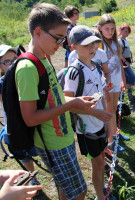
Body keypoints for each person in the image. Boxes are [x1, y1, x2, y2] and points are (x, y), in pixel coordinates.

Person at [15, 3, 96, 200]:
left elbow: (55, 97)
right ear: (38, 31)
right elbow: (30, 118)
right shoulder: (27, 67)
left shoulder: (44, 58)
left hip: (63, 137)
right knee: (80, 192)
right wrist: (70, 105)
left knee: (66, 188)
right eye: (58, 38)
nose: (60, 45)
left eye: (63, 39)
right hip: (52, 143)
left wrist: (75, 99)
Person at [63, 25, 114, 200]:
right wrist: (95, 114)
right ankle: (101, 195)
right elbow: (67, 103)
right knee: (98, 162)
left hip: (100, 123)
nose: (92, 48)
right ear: (74, 47)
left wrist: (106, 121)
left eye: (94, 44)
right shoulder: (74, 72)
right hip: (86, 128)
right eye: (86, 45)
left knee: (101, 159)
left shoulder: (97, 66)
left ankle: (101, 192)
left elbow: (101, 96)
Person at [0, 45, 40, 186]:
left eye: (14, 59)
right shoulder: (2, 83)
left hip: (32, 123)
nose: (12, 64)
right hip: (15, 126)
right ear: (1, 66)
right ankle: (31, 177)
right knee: (23, 155)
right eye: (6, 62)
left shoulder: (26, 75)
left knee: (38, 149)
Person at [97, 13, 128, 152]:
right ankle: (110, 141)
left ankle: (115, 133)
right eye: (107, 28)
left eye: (112, 29)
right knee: (108, 111)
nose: (110, 31)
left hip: (116, 82)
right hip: (107, 85)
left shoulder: (116, 43)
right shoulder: (99, 45)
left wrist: (123, 79)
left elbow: (120, 62)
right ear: (100, 28)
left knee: (114, 109)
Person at [118, 24, 135, 89]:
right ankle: (129, 93)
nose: (127, 33)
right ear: (121, 31)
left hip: (126, 61)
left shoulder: (124, 40)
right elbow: (119, 53)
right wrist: (125, 61)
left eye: (128, 31)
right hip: (123, 62)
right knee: (131, 76)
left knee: (127, 77)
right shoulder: (120, 41)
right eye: (125, 31)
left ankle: (127, 93)